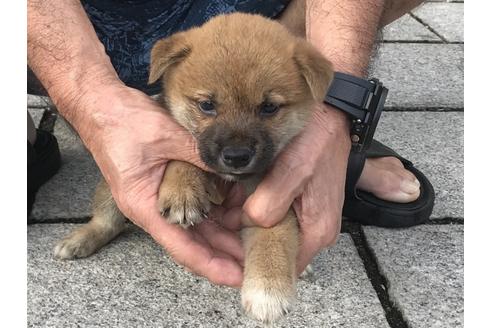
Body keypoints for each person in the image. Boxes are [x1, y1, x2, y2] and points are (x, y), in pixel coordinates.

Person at [27, 0, 433, 287]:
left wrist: (340, 107)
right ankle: (100, 223)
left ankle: (330, 141)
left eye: (269, 108)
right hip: (77, 24)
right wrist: (90, 99)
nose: (236, 145)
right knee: (118, 196)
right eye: (207, 106)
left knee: (280, 168)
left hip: (264, 13)